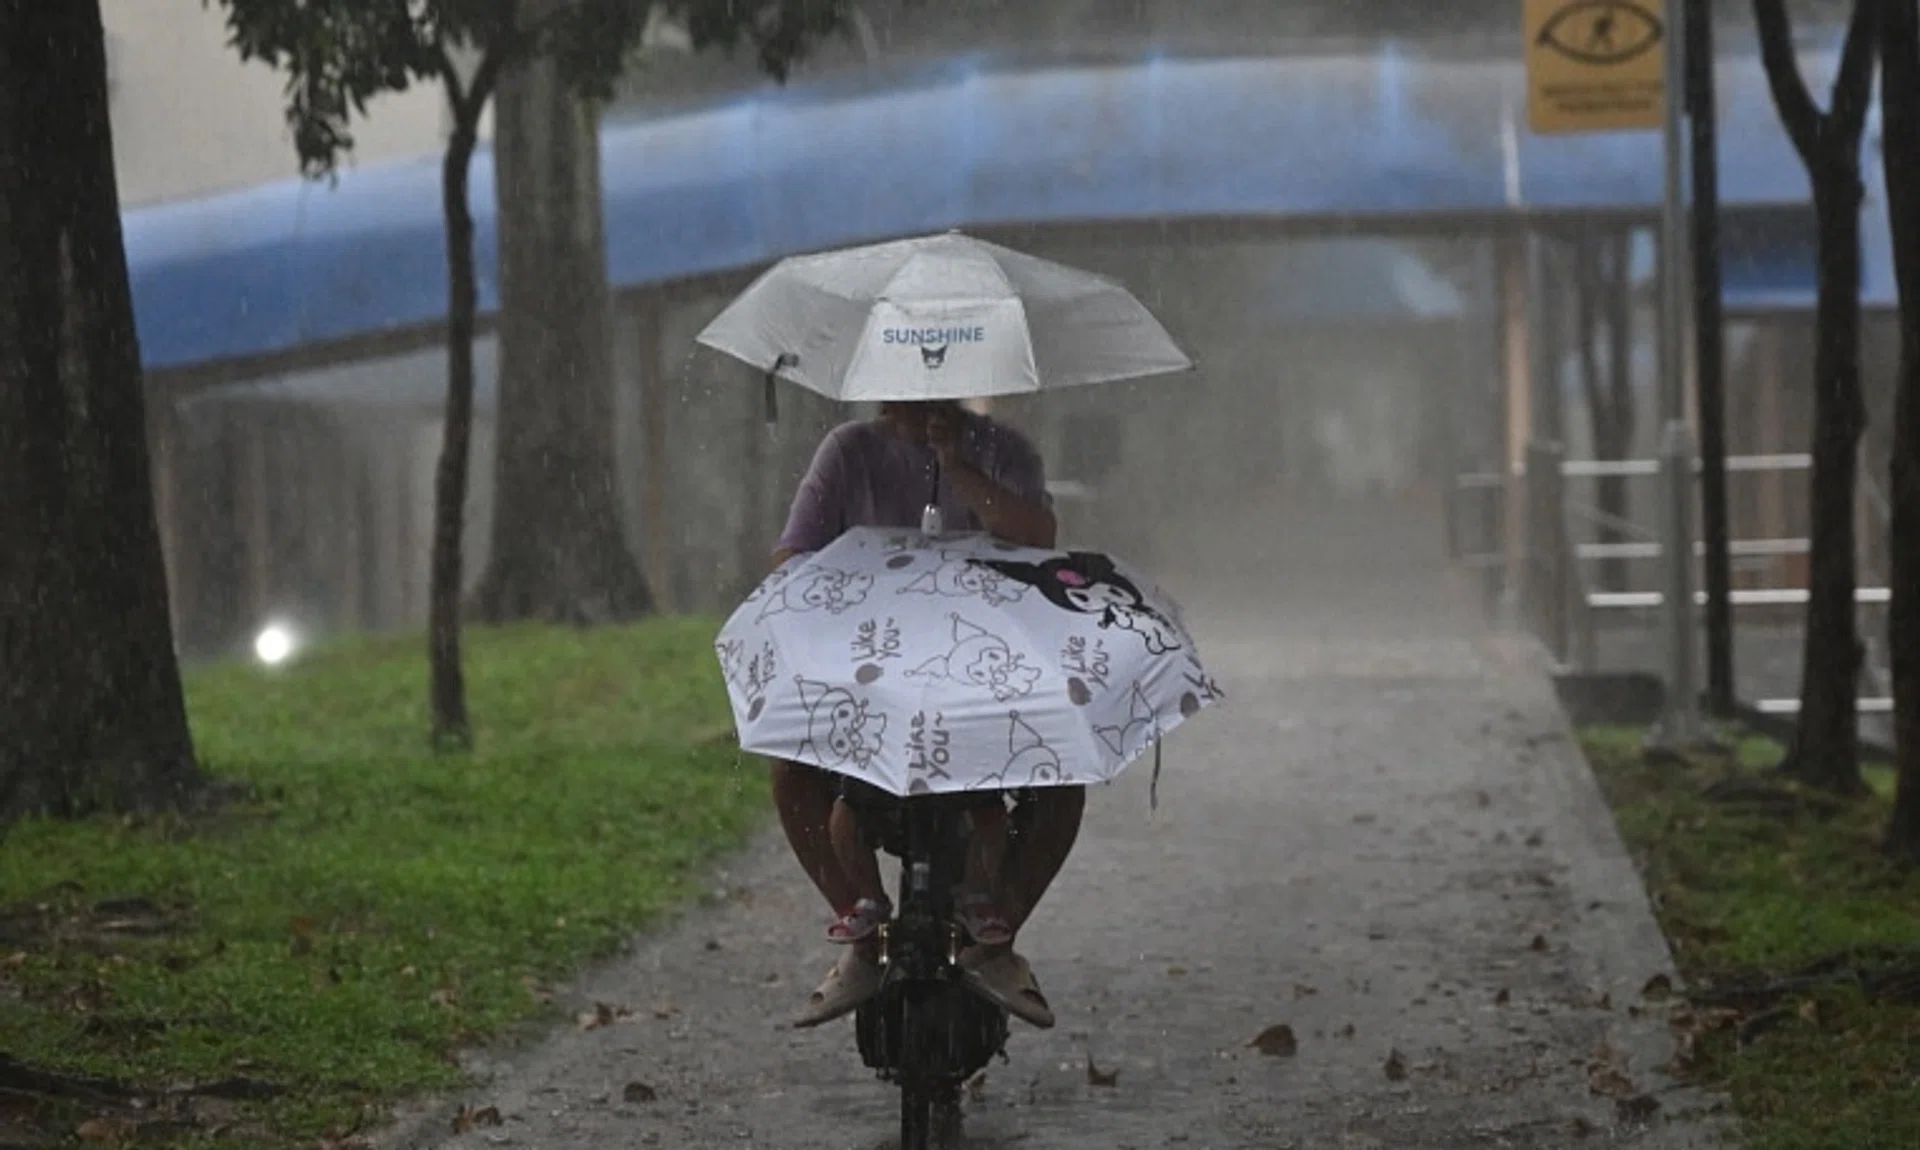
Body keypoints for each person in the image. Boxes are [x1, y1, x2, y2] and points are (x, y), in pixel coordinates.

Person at [770, 399, 1085, 1030]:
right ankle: (862, 934)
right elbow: (791, 559)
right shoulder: (848, 453)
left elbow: (1039, 544)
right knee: (790, 773)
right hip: (873, 675)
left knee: (1062, 784)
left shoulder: (1005, 451)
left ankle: (995, 939)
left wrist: (960, 469)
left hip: (982, 675)